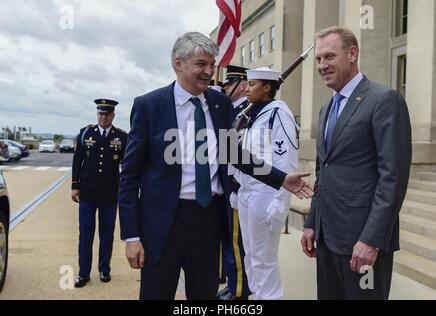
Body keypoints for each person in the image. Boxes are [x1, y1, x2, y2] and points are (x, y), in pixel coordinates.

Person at [118, 32, 313, 300]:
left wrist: (280, 179)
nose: (209, 72)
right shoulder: (149, 106)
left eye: (212, 64)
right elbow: (129, 177)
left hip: (207, 220)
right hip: (163, 224)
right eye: (201, 64)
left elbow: (236, 154)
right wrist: (131, 236)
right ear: (178, 64)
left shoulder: (220, 104)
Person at [300, 26, 412, 300]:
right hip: (327, 240)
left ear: (352, 54)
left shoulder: (383, 100)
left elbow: (393, 179)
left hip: (361, 243)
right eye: (318, 59)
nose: (322, 65)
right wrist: (312, 222)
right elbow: (323, 171)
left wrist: (371, 239)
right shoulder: (327, 108)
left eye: (329, 57)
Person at [234, 67, 299, 300]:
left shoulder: (278, 113)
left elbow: (287, 160)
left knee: (264, 258)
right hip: (247, 191)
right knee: (251, 254)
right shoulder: (254, 112)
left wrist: (281, 203)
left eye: (252, 84)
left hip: (266, 193)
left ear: (267, 87)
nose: (246, 88)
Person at [71, 99, 127, 288]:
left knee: (107, 234)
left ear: (113, 115)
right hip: (87, 193)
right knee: (85, 234)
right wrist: (74, 186)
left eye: (107, 114)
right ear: (97, 115)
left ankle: (104, 269)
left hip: (110, 194)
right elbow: (77, 161)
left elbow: (126, 165)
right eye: (100, 114)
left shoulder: (121, 137)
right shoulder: (86, 133)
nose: (103, 117)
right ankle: (83, 273)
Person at [216, 65, 251, 300]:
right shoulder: (232, 111)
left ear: (243, 86)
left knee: (237, 241)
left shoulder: (247, 112)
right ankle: (232, 282)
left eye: (230, 84)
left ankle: (239, 290)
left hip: (238, 182)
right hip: (226, 180)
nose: (225, 88)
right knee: (229, 238)